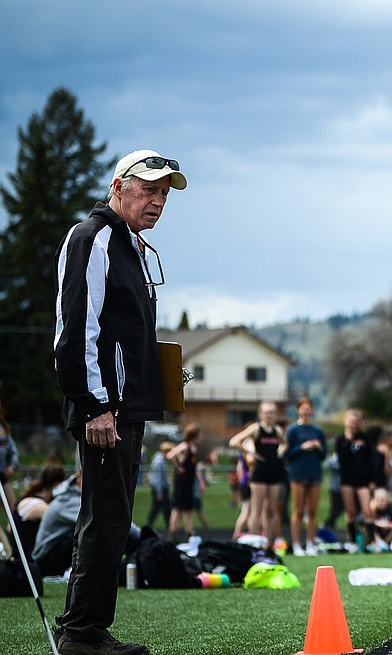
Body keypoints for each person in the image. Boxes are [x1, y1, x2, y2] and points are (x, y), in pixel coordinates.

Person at [52, 149, 185, 655]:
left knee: (111, 516)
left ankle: (86, 630)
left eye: (165, 193)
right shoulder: (94, 237)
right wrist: (94, 405)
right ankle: (82, 634)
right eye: (149, 189)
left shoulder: (130, 244)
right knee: (105, 518)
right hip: (104, 409)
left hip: (123, 406)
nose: (158, 201)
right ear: (118, 187)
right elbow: (76, 329)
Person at [229, 401, 286, 547]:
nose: (270, 415)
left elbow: (285, 443)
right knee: (257, 510)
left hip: (273, 473)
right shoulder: (256, 428)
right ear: (261, 414)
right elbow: (234, 441)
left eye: (272, 412)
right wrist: (251, 452)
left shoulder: (277, 430)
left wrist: (280, 452)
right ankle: (255, 543)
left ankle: (269, 544)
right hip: (259, 474)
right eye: (267, 412)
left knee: (272, 510)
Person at [283, 397, 326, 556]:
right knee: (298, 510)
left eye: (309, 408)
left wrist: (318, 447)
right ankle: (296, 544)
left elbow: (323, 455)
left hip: (314, 472)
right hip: (298, 473)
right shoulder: (293, 430)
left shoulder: (318, 431)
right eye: (303, 408)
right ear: (298, 410)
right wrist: (302, 447)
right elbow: (287, 454)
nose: (306, 411)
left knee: (312, 510)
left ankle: (310, 543)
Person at [336, 408, 375, 552]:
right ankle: (352, 541)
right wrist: (348, 439)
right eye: (350, 421)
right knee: (350, 511)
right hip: (347, 480)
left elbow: (371, 459)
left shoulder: (364, 438)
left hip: (363, 480)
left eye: (355, 422)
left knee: (367, 511)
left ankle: (371, 542)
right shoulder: (341, 440)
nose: (353, 424)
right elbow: (342, 459)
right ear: (345, 422)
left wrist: (372, 480)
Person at [167, 423, 201, 541]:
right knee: (177, 509)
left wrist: (201, 481)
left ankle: (189, 534)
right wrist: (178, 466)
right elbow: (170, 455)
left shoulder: (193, 448)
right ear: (194, 435)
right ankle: (172, 536)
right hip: (181, 483)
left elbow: (194, 467)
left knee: (188, 510)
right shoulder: (184, 446)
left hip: (189, 483)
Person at [142, 441, 174, 532]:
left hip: (160, 489)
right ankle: (170, 532)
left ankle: (147, 528)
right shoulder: (159, 461)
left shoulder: (159, 459)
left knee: (157, 510)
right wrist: (159, 492)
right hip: (160, 490)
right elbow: (157, 478)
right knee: (164, 511)